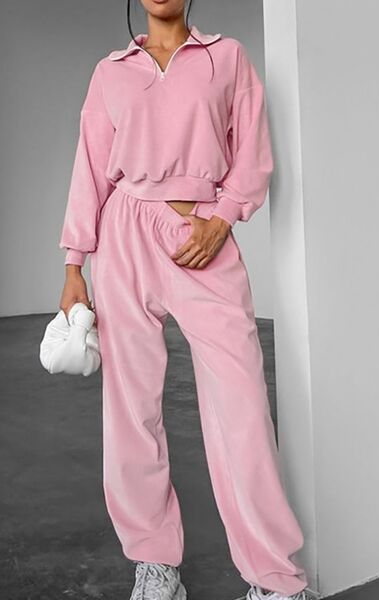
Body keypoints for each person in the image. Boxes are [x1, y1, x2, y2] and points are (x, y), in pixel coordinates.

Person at [58, 1, 312, 599]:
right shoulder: (111, 71)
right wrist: (73, 264)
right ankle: (154, 565)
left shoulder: (227, 58)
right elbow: (90, 168)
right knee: (131, 410)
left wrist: (221, 220)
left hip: (202, 236)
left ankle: (275, 579)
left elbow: (252, 156)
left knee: (242, 405)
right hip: (123, 237)